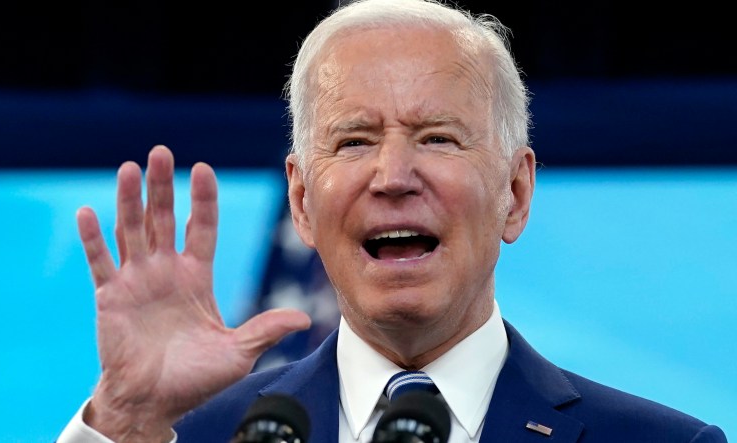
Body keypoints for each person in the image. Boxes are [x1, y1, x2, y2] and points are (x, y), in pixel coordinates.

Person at [57, 0, 728, 442]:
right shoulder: (198, 436)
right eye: (354, 141)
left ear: (516, 192)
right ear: (301, 203)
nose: (393, 175)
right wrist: (126, 417)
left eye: (437, 138)